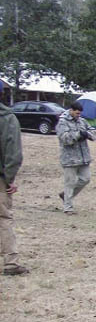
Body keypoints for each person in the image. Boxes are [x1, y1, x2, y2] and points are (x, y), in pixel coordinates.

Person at [0, 81, 29, 275]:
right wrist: (9, 179)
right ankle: (11, 262)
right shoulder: (7, 119)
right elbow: (13, 155)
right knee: (3, 218)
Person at [56, 101, 96, 214]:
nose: (78, 115)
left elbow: (93, 132)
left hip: (83, 157)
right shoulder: (62, 122)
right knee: (70, 182)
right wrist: (78, 135)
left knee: (86, 179)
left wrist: (87, 134)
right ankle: (68, 208)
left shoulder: (82, 121)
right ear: (71, 110)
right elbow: (64, 138)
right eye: (77, 113)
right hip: (69, 159)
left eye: (80, 113)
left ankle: (65, 195)